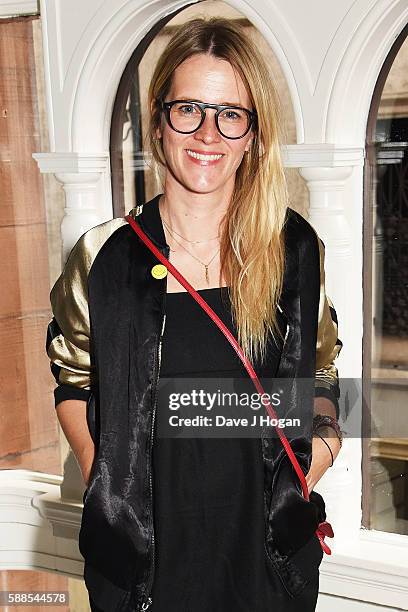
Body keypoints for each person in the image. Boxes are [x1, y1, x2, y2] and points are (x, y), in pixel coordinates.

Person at [46, 16, 343, 612]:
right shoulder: (106, 257)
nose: (208, 133)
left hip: (267, 565)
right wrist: (101, 472)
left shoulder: (293, 250)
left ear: (253, 135)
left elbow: (327, 379)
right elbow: (74, 381)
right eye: (189, 109)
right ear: (158, 122)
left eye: (230, 114)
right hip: (145, 572)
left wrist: (308, 468)